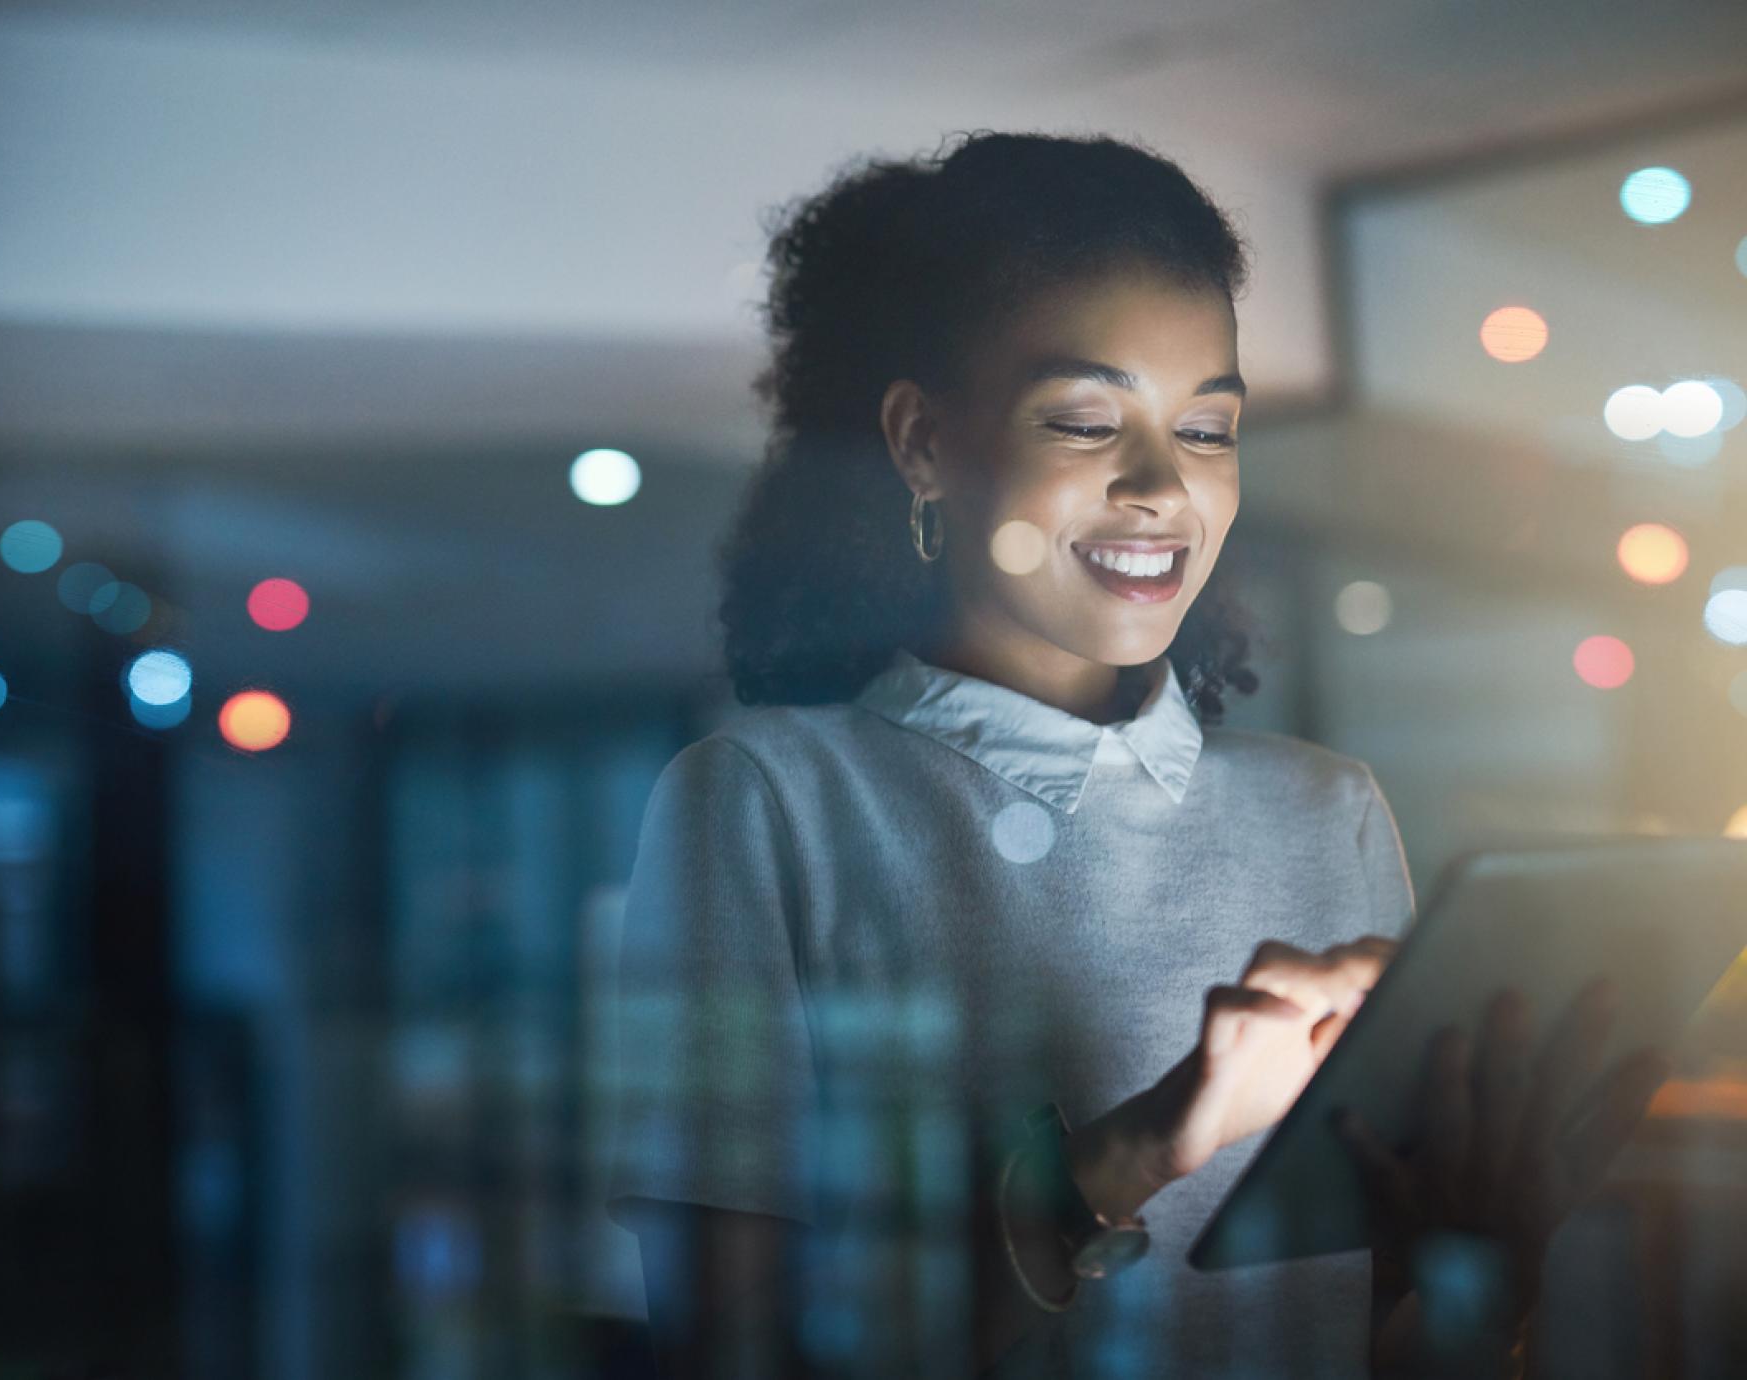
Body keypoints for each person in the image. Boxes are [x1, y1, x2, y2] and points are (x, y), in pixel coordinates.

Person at [601, 131, 1668, 1378]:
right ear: (923, 445)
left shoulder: (1325, 811)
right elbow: (723, 1347)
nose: (1162, 486)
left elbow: (1391, 1348)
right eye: (1083, 420)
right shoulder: (761, 804)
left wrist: (1484, 1259)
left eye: (1206, 429)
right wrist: (1146, 1146)